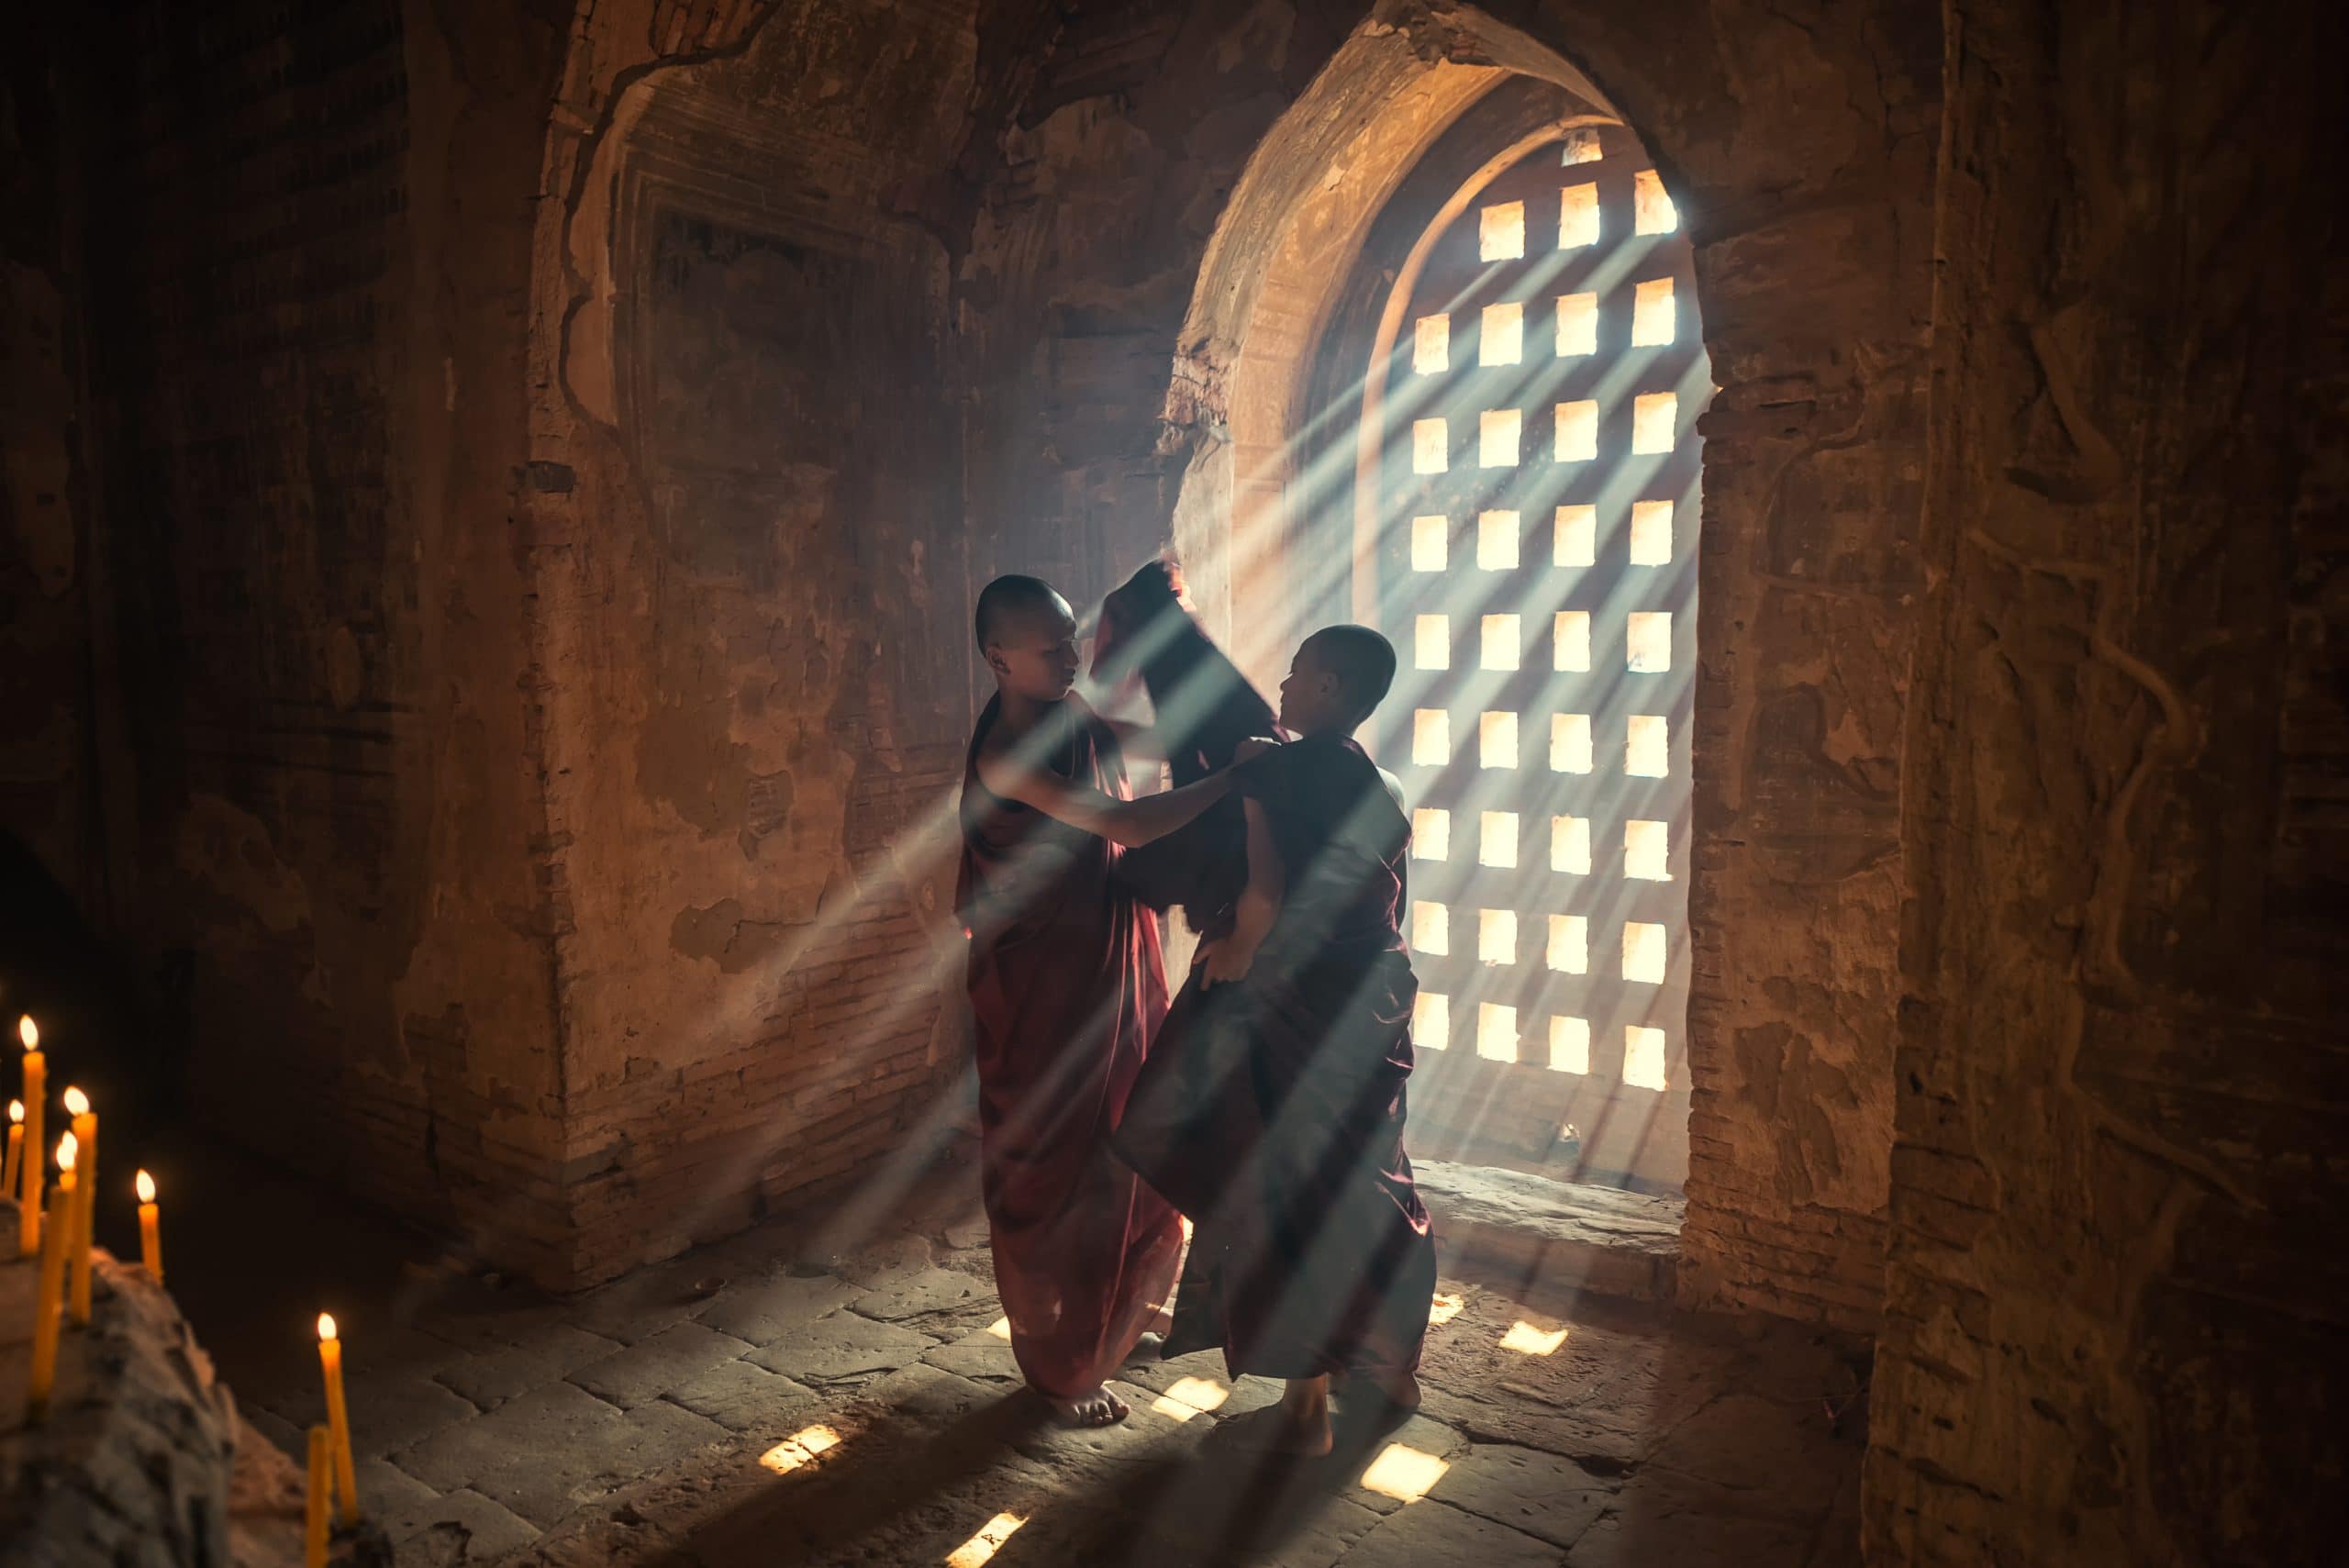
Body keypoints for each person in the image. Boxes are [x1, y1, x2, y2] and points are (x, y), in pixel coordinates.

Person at [1134, 624, 1438, 1455]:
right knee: (1374, 1174)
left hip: (1298, 1003)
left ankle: (1306, 1414)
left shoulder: (1275, 769)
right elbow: (1385, 901)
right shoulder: (1388, 783)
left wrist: (1232, 953)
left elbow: (1265, 895)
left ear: (1331, 689)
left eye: (1298, 672)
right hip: (1369, 998)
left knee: (1293, 1189)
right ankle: (1391, 1368)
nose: (1282, 681)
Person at [957, 573, 1236, 1427]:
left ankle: (1116, 1314)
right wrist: (1235, 781)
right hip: (1046, 988)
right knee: (1063, 1165)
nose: (1071, 659)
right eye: (1052, 649)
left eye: (1074, 640)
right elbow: (1132, 828)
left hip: (1110, 957)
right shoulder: (1008, 750)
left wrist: (1215, 732)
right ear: (999, 658)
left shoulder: (1065, 715)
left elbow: (1134, 741)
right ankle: (1062, 1366)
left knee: (1132, 1128)